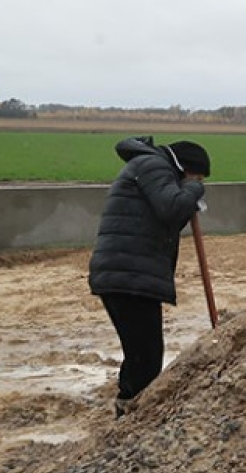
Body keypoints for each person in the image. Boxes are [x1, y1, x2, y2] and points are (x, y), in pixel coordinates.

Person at [88, 137, 211, 418]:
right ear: (187, 169)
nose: (195, 182)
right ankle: (131, 414)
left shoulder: (151, 167)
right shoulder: (154, 166)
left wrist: (188, 197)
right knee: (146, 354)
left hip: (128, 273)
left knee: (142, 352)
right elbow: (170, 207)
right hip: (127, 275)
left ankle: (129, 411)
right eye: (197, 176)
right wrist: (193, 190)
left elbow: (168, 218)